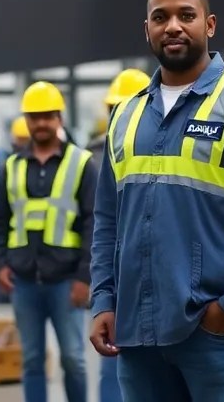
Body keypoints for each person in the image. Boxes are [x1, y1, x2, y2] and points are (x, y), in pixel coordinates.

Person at [90, 0, 224, 402]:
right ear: (147, 30)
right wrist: (104, 300)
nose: (173, 26)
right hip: (136, 333)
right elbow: (107, 220)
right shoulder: (125, 117)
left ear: (210, 24)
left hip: (212, 333)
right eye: (160, 18)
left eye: (187, 15)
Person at [0, 80, 96, 402]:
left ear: (59, 119)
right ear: (26, 120)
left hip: (66, 282)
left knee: (73, 360)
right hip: (24, 282)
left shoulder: (81, 164)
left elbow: (94, 223)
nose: (41, 123)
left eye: (48, 116)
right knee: (33, 360)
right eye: (34, 117)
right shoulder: (11, 167)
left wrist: (84, 276)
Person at [88, 68, 151, 402]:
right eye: (116, 109)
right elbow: (101, 226)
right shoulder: (98, 157)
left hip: (152, 286)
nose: (121, 116)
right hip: (117, 284)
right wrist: (101, 294)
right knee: (111, 370)